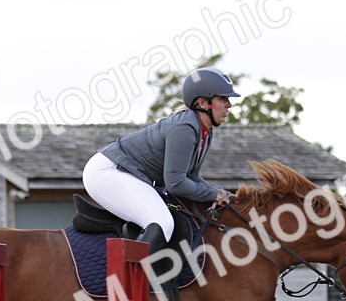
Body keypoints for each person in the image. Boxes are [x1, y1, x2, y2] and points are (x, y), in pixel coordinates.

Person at [82, 66, 239, 262]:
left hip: (127, 173)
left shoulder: (204, 131)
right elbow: (176, 183)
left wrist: (221, 193)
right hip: (108, 172)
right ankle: (126, 288)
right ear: (202, 102)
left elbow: (191, 176)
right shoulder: (185, 128)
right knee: (162, 222)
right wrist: (214, 194)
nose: (229, 105)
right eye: (223, 99)